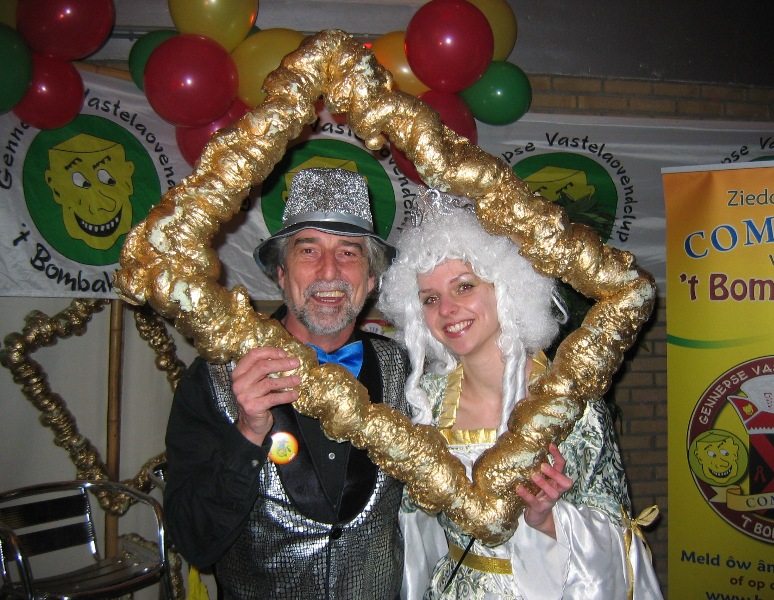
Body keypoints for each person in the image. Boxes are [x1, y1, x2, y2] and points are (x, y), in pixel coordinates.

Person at [378, 189, 664, 599]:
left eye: (464, 287)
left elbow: (617, 545)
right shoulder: (427, 403)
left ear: (506, 287)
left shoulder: (569, 405)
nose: (447, 310)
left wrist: (547, 519)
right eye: (431, 298)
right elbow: (414, 535)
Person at [164, 167, 411, 599]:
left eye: (349, 252)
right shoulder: (214, 378)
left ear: (371, 279)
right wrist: (246, 434)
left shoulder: (407, 371)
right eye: (309, 250)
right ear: (281, 272)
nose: (329, 271)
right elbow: (192, 541)